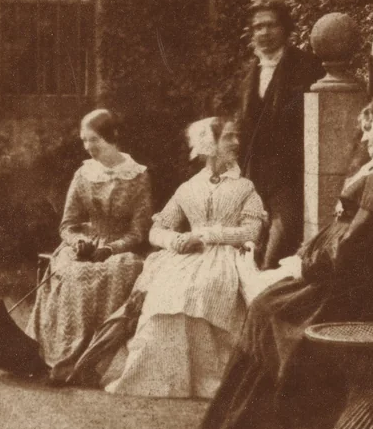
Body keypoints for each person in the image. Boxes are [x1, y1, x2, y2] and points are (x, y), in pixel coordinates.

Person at [200, 28, 373, 429]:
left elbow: (361, 241)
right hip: (344, 268)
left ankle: (283, 422)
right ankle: (243, 420)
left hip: (365, 282)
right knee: (266, 304)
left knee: (276, 310)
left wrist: (316, 260)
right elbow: (348, 221)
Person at [72, 117, 266, 399]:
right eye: (229, 138)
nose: (236, 143)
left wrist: (207, 235)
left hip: (227, 256)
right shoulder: (189, 187)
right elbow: (156, 229)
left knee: (202, 290)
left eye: (236, 137)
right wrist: (174, 240)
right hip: (187, 257)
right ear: (208, 145)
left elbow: (251, 231)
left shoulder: (245, 187)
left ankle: (208, 380)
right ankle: (166, 380)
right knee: (166, 295)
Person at [27, 110, 153, 380]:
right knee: (73, 272)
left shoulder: (138, 176)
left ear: (112, 137)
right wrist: (79, 242)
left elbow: (139, 231)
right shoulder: (84, 174)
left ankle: (93, 362)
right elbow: (67, 225)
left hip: (120, 249)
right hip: (84, 246)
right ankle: (60, 356)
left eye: (94, 140)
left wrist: (111, 249)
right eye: (84, 140)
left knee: (120, 270)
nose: (88, 147)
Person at [237, 0, 324, 269]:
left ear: (285, 28)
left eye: (270, 25)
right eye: (257, 27)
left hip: (291, 176)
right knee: (247, 251)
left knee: (278, 247)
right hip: (256, 179)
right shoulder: (250, 72)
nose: (263, 33)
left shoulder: (306, 65)